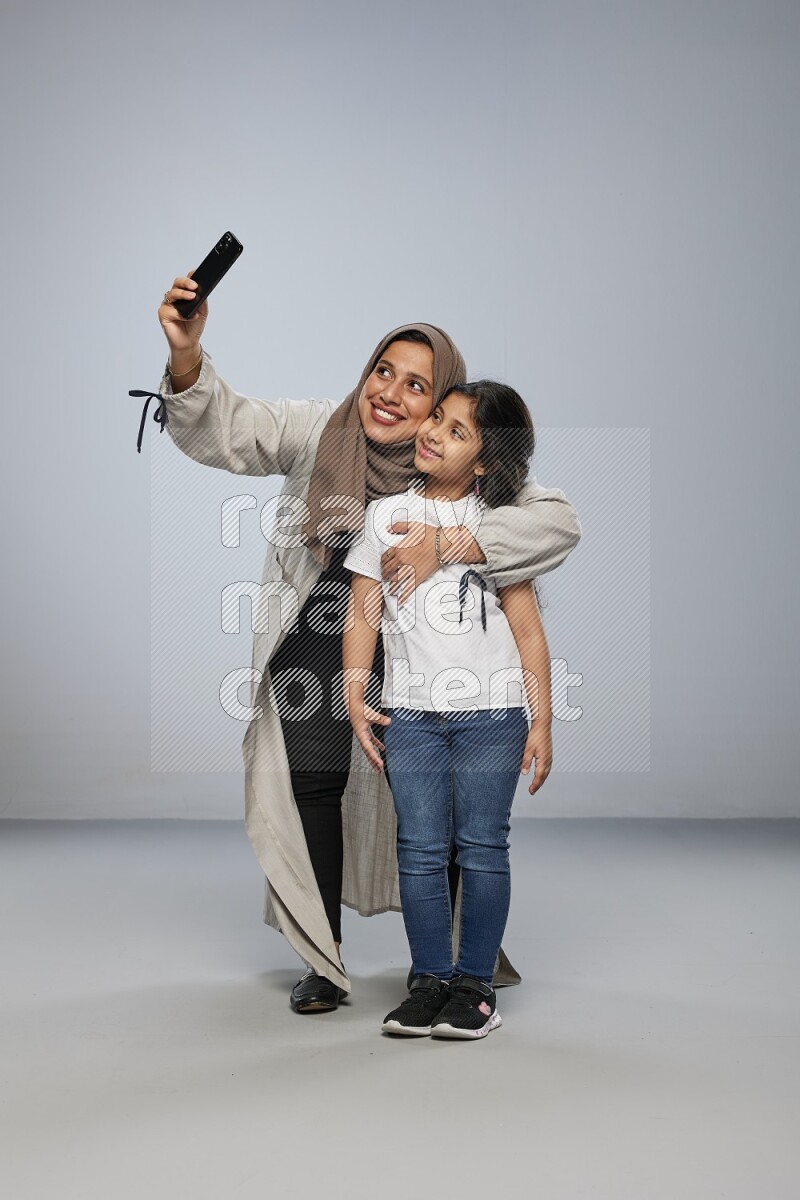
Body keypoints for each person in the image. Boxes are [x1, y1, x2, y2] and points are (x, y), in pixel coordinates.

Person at [149, 272, 580, 1015]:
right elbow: (228, 426)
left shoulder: (470, 472)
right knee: (314, 784)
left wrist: (448, 544)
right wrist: (187, 354)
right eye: (384, 370)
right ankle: (323, 958)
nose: (390, 393)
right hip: (326, 628)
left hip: (422, 650)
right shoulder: (324, 428)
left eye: (418, 388)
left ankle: (451, 966)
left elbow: (559, 523)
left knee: (444, 808)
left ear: (443, 408)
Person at [343, 380, 552, 1038]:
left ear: (485, 462)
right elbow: (363, 611)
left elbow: (528, 631)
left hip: (492, 715)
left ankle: (476, 988)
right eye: (437, 417)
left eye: (458, 431)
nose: (433, 432)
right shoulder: (384, 514)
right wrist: (355, 691)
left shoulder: (496, 529)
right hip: (411, 716)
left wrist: (542, 719)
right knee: (419, 849)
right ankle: (430, 980)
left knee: (483, 846)